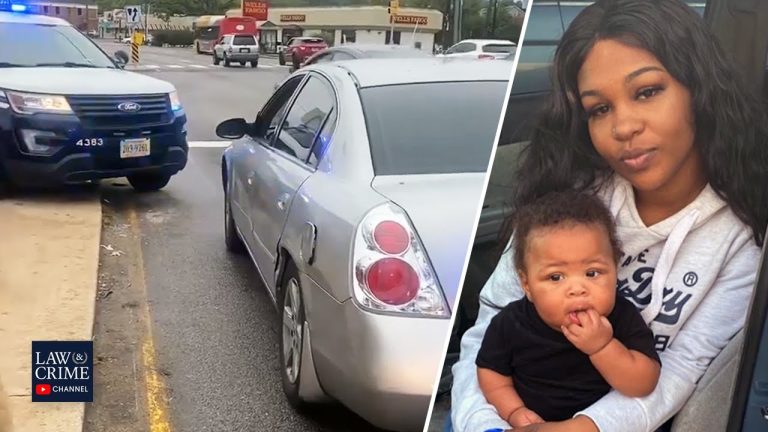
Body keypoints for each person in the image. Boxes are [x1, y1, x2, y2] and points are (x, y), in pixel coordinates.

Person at [450, 0, 768, 431]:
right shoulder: (570, 199)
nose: (623, 127)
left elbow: (684, 367)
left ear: (700, 90)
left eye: (647, 91)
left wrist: (584, 429)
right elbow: (491, 325)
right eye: (599, 109)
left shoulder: (741, 239)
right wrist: (488, 425)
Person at [476, 191, 661, 428]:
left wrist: (603, 347)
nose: (577, 289)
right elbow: (492, 374)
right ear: (527, 285)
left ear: (615, 270)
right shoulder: (510, 323)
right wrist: (514, 411)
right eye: (555, 277)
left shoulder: (622, 316)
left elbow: (644, 383)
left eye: (592, 273)